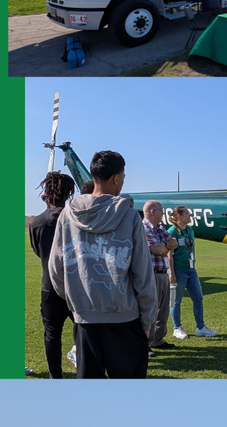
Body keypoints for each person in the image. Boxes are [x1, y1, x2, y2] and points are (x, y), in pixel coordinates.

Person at [48, 150, 156, 379]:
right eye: (123, 176)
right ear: (116, 178)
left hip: (85, 321)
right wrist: (147, 321)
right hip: (125, 321)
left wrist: (75, 301)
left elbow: (56, 268)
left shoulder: (67, 215)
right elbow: (143, 274)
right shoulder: (129, 216)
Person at [28, 171, 76, 378]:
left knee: (52, 334)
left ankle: (55, 376)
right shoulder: (76, 220)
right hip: (76, 285)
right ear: (68, 194)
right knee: (83, 331)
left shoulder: (37, 222)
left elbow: (38, 250)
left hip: (50, 284)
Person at [167, 206, 217, 340]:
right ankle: (177, 328)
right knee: (175, 301)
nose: (190, 217)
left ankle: (200, 327)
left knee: (198, 297)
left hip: (191, 270)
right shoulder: (172, 231)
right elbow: (169, 254)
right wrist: (171, 272)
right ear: (178, 215)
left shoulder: (190, 230)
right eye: (187, 214)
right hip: (178, 270)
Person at [142, 200, 178, 353]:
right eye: (161, 211)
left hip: (163, 273)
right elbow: (158, 250)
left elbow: (174, 243)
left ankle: (158, 339)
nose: (163, 214)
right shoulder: (144, 227)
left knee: (163, 309)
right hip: (151, 274)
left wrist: (164, 245)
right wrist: (165, 246)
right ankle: (146, 344)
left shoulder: (159, 228)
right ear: (152, 212)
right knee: (151, 310)